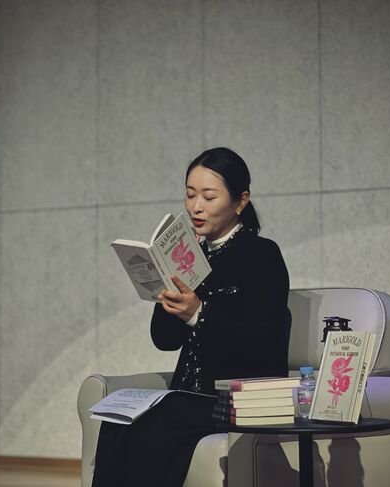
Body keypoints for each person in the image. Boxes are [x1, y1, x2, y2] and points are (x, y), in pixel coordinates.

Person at [91, 147, 291, 487]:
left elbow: (264, 341)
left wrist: (199, 314)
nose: (196, 206)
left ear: (240, 202)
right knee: (117, 417)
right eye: (190, 195)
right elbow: (164, 340)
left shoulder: (261, 254)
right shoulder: (192, 255)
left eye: (208, 197)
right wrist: (165, 283)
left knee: (162, 419)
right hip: (189, 395)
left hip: (232, 398)